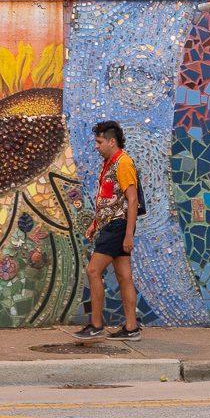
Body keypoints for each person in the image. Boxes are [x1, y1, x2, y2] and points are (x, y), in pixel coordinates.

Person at [75, 120, 141, 341]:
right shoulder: (109, 163)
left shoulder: (123, 163)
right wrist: (95, 223)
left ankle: (95, 324)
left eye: (99, 141)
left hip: (117, 226)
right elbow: (108, 199)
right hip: (111, 225)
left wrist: (128, 234)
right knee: (124, 276)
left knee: (93, 271)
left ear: (112, 142)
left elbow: (132, 200)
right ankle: (131, 328)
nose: (96, 146)